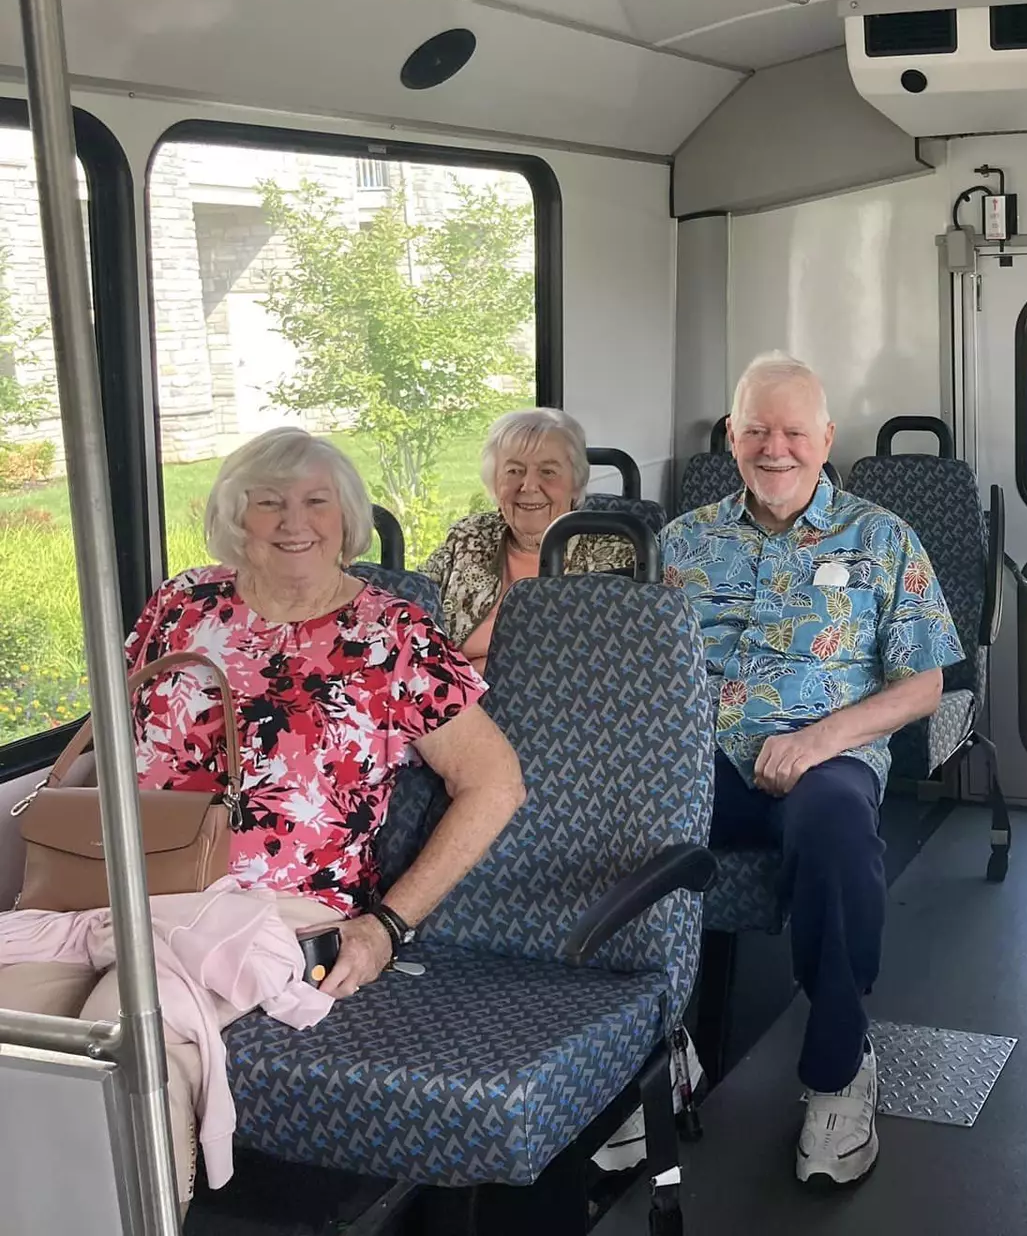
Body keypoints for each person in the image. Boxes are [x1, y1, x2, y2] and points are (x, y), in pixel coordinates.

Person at [0, 428, 524, 1208]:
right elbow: (115, 737)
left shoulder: (392, 637)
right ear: (232, 518)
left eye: (316, 501)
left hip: (263, 908)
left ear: (345, 522)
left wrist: (387, 927)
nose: (293, 520)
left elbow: (496, 783)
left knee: (129, 1037)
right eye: (268, 501)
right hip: (114, 888)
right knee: (15, 1028)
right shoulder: (181, 605)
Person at [660, 352, 960, 1187]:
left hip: (826, 755)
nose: (775, 447)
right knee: (612, 825)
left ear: (826, 438)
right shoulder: (681, 543)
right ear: (732, 435)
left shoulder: (881, 537)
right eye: (757, 429)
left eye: (795, 431)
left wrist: (820, 741)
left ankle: (836, 1070)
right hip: (696, 760)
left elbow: (926, 684)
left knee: (833, 829)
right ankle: (649, 1053)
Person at [422, 407, 634, 676]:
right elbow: (413, 604)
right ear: (494, 483)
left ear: (576, 484)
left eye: (548, 471)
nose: (529, 485)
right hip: (454, 702)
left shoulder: (615, 553)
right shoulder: (467, 538)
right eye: (513, 471)